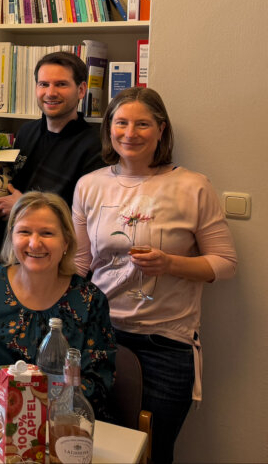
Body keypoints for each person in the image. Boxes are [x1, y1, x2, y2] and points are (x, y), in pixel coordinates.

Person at [72, 87, 236, 464]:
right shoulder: (89, 185)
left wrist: (170, 264)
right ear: (109, 128)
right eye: (121, 123)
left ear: (161, 130)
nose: (130, 133)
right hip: (100, 334)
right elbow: (81, 264)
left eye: (142, 124)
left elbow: (226, 262)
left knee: (153, 453)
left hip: (166, 343)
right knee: (94, 446)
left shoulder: (193, 186)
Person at [0, 191, 116, 415]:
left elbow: (97, 388)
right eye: (24, 232)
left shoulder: (89, 300)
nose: (34, 243)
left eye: (47, 233)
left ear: (66, 241)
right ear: (12, 237)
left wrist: (18, 392)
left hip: (62, 422)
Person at [0, 52, 106, 264]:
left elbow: (87, 217)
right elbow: (11, 191)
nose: (50, 93)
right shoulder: (25, 132)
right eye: (43, 84)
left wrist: (23, 207)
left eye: (61, 84)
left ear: (81, 90)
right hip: (6, 252)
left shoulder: (96, 146)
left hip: (51, 261)